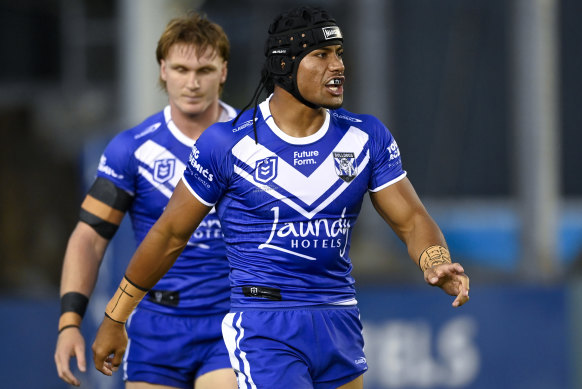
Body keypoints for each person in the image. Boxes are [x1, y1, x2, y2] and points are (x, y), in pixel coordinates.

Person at [92, 5, 470, 389]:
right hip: (265, 324)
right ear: (284, 65)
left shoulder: (366, 136)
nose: (337, 66)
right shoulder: (227, 143)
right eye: (321, 55)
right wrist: (116, 317)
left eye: (339, 53)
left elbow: (411, 219)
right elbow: (169, 235)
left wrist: (435, 261)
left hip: (339, 319)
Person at [54, 12, 238, 389]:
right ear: (162, 70)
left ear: (223, 71)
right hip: (155, 322)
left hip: (233, 320)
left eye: (204, 70)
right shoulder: (132, 148)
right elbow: (89, 237)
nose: (191, 82)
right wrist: (70, 322)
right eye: (181, 68)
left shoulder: (255, 142)